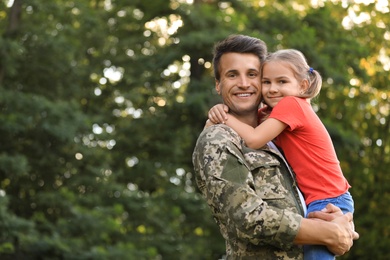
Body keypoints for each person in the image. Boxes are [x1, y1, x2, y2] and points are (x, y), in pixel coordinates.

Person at [192, 34, 358, 259]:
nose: (243, 83)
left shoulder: (276, 133)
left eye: (253, 75)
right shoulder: (219, 138)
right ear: (218, 85)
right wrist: (325, 232)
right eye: (232, 75)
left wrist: (339, 223)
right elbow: (246, 217)